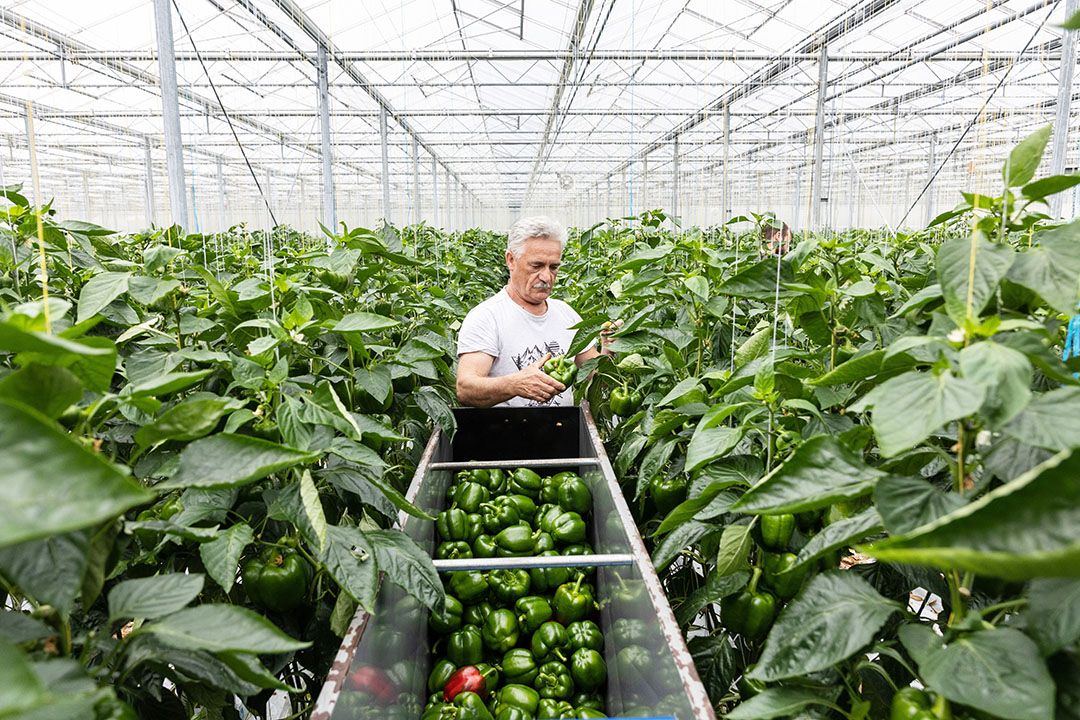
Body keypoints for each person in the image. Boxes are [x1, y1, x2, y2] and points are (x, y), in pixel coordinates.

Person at [455, 216, 618, 408]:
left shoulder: (565, 313)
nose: (546, 277)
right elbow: (465, 389)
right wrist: (514, 384)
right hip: (505, 433)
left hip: (562, 431)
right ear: (511, 260)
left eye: (554, 267)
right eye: (536, 265)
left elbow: (596, 374)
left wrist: (610, 347)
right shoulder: (487, 317)